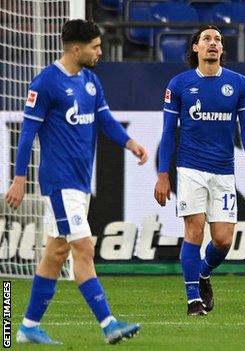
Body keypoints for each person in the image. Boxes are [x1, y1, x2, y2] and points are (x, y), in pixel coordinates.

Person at [5, 19, 147, 345]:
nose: (100, 52)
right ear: (76, 48)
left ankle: (26, 327)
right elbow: (27, 134)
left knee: (56, 254)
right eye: (96, 47)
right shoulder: (46, 83)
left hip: (81, 183)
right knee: (84, 247)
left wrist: (129, 142)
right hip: (59, 182)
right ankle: (109, 323)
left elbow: (105, 119)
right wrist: (19, 177)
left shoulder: (91, 81)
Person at [154, 25, 245, 316]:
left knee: (224, 239)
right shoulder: (179, 84)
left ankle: (203, 274)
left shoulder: (239, 84)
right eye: (206, 40)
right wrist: (163, 174)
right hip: (190, 169)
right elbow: (168, 132)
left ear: (222, 49)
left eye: (217, 40)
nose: (212, 44)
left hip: (224, 172)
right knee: (194, 231)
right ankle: (193, 301)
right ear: (196, 48)